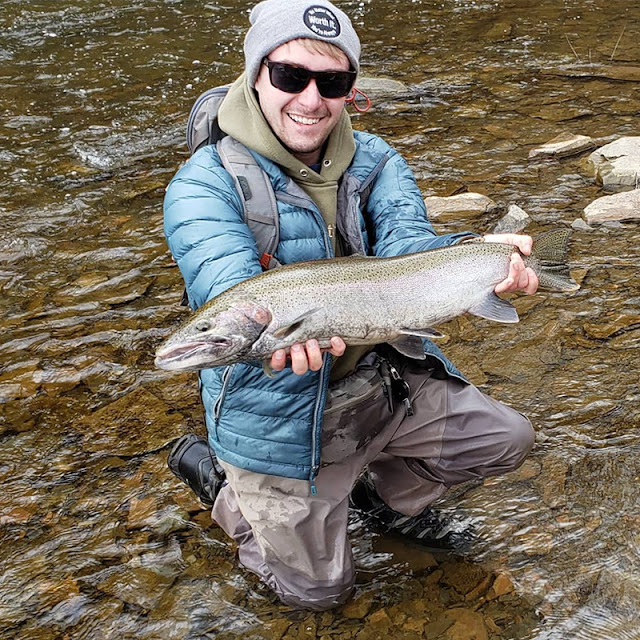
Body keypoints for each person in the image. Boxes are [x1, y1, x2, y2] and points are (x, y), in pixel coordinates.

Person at [163, 0, 537, 611]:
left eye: (331, 82)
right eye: (290, 76)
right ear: (256, 72)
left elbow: (410, 252)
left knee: (506, 439)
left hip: (380, 384)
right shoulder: (203, 185)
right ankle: (226, 489)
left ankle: (378, 500)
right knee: (319, 596)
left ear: (349, 90)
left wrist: (480, 260)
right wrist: (269, 346)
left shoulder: (377, 160)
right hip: (280, 419)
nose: (310, 100)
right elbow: (222, 287)